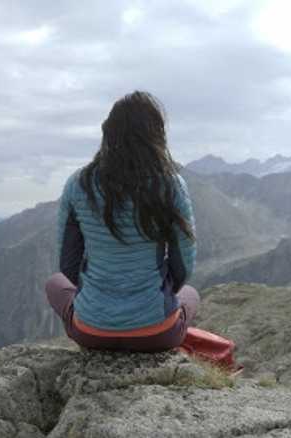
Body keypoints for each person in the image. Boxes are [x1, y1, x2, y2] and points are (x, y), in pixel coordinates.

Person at [45, 90, 199, 352]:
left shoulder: (78, 184)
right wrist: (156, 293)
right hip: (157, 334)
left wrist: (99, 298)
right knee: (191, 294)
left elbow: (68, 264)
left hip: (91, 333)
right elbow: (183, 264)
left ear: (108, 133)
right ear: (156, 135)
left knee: (54, 283)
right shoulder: (170, 185)